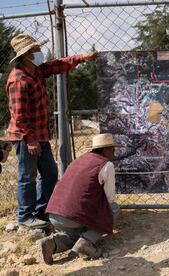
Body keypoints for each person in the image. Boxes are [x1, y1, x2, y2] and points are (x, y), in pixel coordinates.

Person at [6, 33, 97, 229]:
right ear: (26, 55)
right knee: (27, 176)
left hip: (39, 134)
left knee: (49, 172)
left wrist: (82, 58)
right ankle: (25, 216)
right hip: (25, 137)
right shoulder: (18, 79)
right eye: (36, 50)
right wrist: (30, 140)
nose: (40, 52)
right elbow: (19, 115)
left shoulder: (36, 71)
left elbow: (56, 65)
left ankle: (41, 211)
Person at [38, 133, 120, 265]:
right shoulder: (106, 165)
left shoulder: (80, 159)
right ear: (105, 150)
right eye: (112, 148)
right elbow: (110, 199)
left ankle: (51, 243)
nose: (114, 151)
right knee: (114, 208)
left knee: (79, 235)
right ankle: (86, 244)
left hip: (54, 213)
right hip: (73, 216)